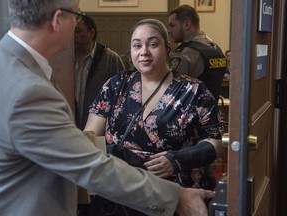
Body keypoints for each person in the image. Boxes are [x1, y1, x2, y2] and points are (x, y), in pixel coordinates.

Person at [0, 1, 216, 216]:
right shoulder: (31, 90)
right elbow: (90, 164)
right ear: (57, 20)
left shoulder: (9, 65)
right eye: (77, 15)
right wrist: (175, 197)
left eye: (153, 44)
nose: (77, 25)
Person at [84, 18, 224, 215]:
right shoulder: (115, 86)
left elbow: (215, 144)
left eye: (153, 44)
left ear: (168, 48)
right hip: (121, 193)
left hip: (174, 196)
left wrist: (176, 160)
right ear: (130, 51)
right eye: (137, 45)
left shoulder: (193, 91)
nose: (144, 52)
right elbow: (90, 137)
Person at [74, 13, 125, 130]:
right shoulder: (63, 59)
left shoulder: (110, 58)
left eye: (77, 31)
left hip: (99, 129)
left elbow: (121, 96)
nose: (73, 35)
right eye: (70, 31)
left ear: (91, 33)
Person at [168, 4, 227, 102]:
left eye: (172, 25)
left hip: (191, 113)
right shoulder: (216, 48)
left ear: (187, 24)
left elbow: (171, 90)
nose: (169, 30)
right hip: (212, 112)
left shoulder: (185, 54)